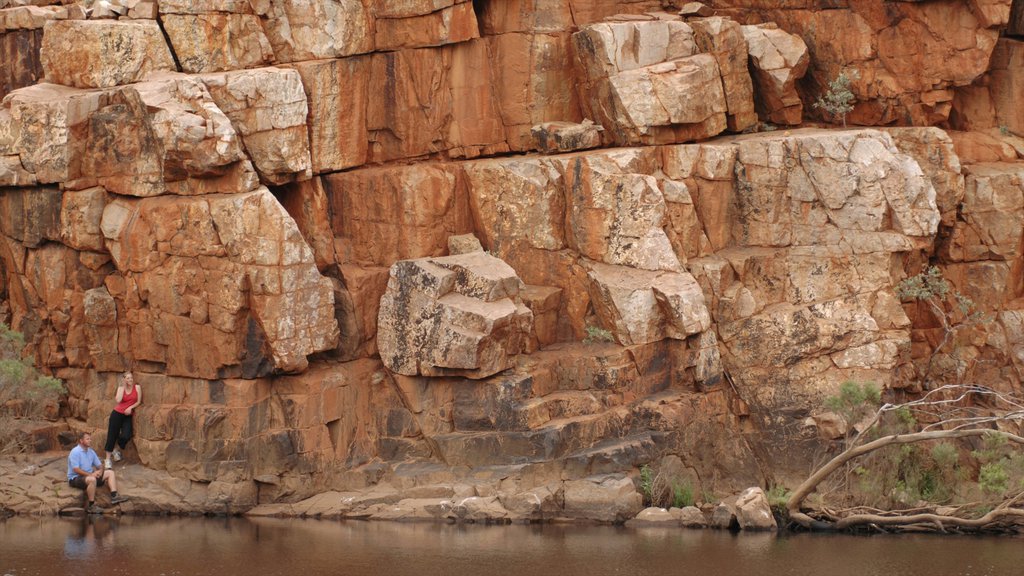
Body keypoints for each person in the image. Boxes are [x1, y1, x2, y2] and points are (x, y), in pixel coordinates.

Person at [68, 431, 128, 513]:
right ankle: (91, 506)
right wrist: (91, 474)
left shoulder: (91, 451)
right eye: (87, 439)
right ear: (81, 441)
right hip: (76, 478)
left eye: (90, 439)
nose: (90, 440)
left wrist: (100, 471)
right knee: (92, 479)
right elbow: (76, 469)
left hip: (90, 475)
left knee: (110, 472)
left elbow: (100, 465)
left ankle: (114, 496)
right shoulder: (75, 452)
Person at [104, 371, 141, 468]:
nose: (130, 380)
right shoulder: (121, 388)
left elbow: (138, 401)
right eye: (128, 378)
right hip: (117, 414)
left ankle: (115, 449)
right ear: (124, 379)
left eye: (131, 378)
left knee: (126, 435)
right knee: (112, 435)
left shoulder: (137, 387)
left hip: (127, 415)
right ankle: (107, 459)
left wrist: (130, 408)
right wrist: (123, 387)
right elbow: (118, 400)